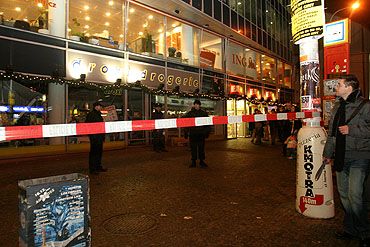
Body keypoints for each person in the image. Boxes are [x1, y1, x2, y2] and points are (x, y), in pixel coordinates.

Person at [322, 74, 370, 247]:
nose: (336, 87)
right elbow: (332, 134)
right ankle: (350, 229)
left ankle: (364, 233)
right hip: (341, 157)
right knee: (344, 196)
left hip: (360, 157)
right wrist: (327, 154)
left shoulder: (366, 106)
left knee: (355, 195)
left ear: (349, 87)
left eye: (339, 84)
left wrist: (352, 129)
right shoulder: (336, 107)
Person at [183, 100, 211, 168]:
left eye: (198, 104)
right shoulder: (190, 114)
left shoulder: (203, 114)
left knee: (201, 148)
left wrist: (206, 132)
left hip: (201, 134)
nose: (196, 106)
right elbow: (185, 123)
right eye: (195, 104)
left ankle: (201, 161)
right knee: (193, 148)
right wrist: (186, 132)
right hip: (193, 134)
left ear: (200, 105)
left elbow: (208, 124)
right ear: (194, 105)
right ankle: (193, 161)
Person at [85, 101, 107, 174]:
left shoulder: (98, 114)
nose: (101, 107)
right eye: (100, 106)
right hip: (95, 137)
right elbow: (87, 126)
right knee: (94, 153)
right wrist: (92, 136)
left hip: (99, 136)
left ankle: (98, 166)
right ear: (96, 106)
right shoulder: (92, 115)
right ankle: (93, 168)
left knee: (98, 152)